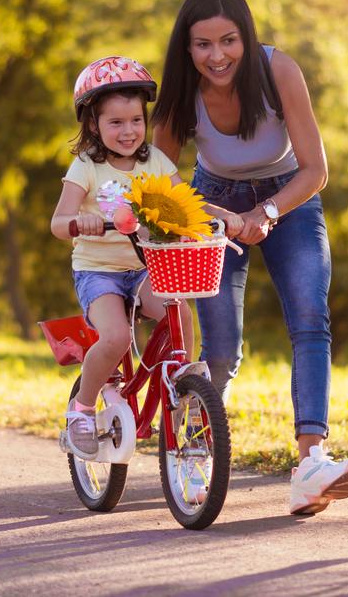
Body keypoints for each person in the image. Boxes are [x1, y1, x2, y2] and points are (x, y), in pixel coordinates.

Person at [151, 0, 348, 515]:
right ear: (187, 48)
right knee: (221, 352)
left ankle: (311, 463)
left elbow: (316, 170)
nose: (217, 56)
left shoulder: (279, 71)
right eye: (202, 45)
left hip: (289, 198)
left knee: (311, 319)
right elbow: (159, 175)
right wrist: (207, 216)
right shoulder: (182, 94)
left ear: (246, 37)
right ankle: (194, 452)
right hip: (213, 202)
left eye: (228, 41)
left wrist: (265, 213)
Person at [50, 56, 241, 460]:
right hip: (98, 272)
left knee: (176, 306)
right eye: (115, 123)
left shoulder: (155, 162)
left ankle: (183, 377)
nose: (128, 131)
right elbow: (57, 221)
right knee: (117, 337)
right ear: (93, 125)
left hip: (143, 267)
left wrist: (225, 219)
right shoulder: (86, 167)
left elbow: (185, 202)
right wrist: (78, 222)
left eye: (135, 120)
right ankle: (81, 410)